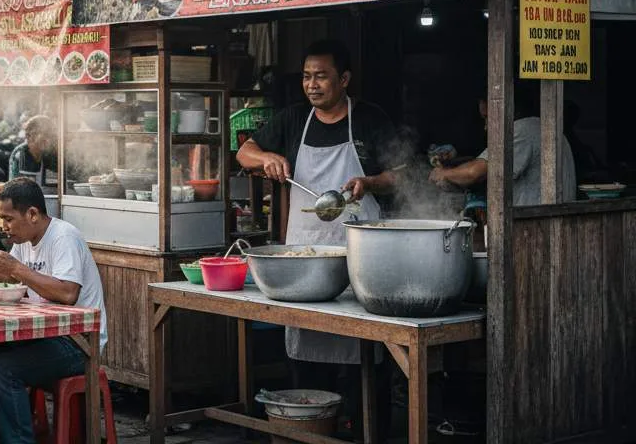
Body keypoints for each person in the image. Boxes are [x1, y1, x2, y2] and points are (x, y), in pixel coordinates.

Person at [235, 39, 399, 437]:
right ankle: (310, 431)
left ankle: (364, 432)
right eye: (307, 77)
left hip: (360, 259)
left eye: (321, 76)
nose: (312, 84)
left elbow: (403, 175)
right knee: (307, 349)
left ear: (343, 79)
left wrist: (370, 182)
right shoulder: (293, 120)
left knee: (364, 353)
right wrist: (266, 158)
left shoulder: (370, 120)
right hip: (306, 259)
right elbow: (244, 152)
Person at [0, 178, 106, 444]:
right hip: (38, 333)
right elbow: (14, 283)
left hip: (78, 342)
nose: (3, 227)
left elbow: (67, 293)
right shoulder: (23, 239)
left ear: (33, 214)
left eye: (8, 219)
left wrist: (15, 268)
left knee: (4, 369)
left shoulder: (64, 237)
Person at [429, 86, 577, 205]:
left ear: (509, 110)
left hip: (534, 228)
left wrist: (443, 173)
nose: (486, 127)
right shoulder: (543, 127)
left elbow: (475, 173)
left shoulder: (523, 131)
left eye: (488, 118)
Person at [7, 115, 57, 186]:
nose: (48, 140)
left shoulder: (47, 153)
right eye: (45, 134)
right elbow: (18, 189)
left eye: (51, 135)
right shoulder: (21, 154)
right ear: (29, 136)